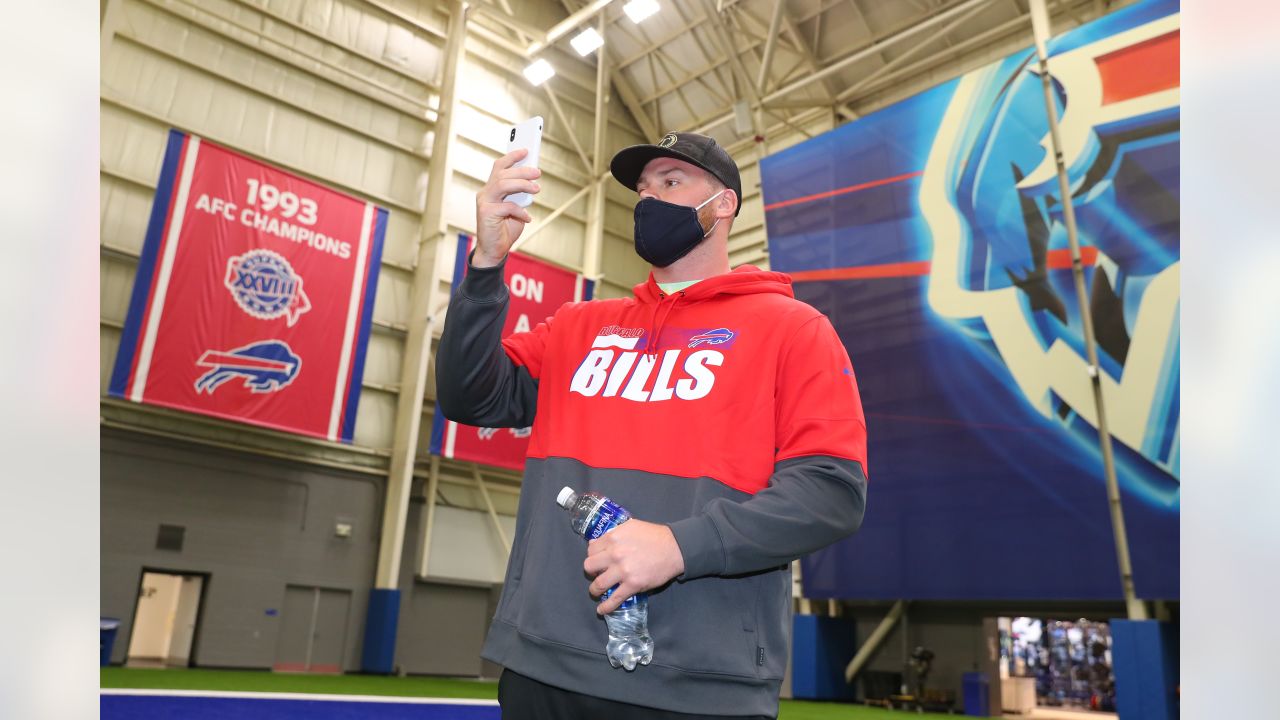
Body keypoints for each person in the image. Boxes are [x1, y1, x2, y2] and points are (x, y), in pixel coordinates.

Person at [436, 131, 868, 719]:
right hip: (542, 666)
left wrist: (681, 546)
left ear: (722, 205)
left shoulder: (793, 329)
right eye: (641, 189)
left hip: (698, 686)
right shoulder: (579, 327)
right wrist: (486, 265)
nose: (648, 201)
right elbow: (470, 396)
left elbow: (830, 493)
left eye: (670, 183)